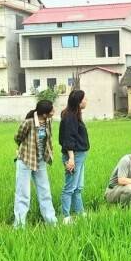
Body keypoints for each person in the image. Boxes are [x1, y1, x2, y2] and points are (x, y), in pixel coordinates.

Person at [13, 100, 57, 228]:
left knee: (45, 192)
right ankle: (19, 226)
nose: (54, 112)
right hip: (26, 160)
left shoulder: (48, 121)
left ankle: (51, 222)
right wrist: (23, 148)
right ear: (44, 114)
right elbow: (18, 137)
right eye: (52, 110)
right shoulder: (29, 123)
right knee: (23, 194)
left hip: (41, 161)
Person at [59, 90, 90, 224]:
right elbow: (68, 139)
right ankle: (65, 217)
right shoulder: (70, 116)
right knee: (70, 188)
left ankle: (80, 212)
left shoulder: (74, 115)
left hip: (79, 155)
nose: (86, 101)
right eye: (84, 99)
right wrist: (71, 159)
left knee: (78, 188)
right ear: (78, 101)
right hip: (74, 156)